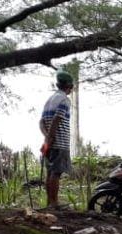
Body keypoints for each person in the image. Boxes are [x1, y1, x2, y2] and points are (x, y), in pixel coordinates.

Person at [38, 69, 74, 209]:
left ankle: (49, 203)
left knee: (50, 173)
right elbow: (57, 118)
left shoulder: (49, 100)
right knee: (56, 173)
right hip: (60, 143)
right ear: (68, 86)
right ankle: (54, 204)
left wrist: (46, 137)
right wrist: (51, 137)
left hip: (49, 142)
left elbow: (41, 122)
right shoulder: (64, 99)